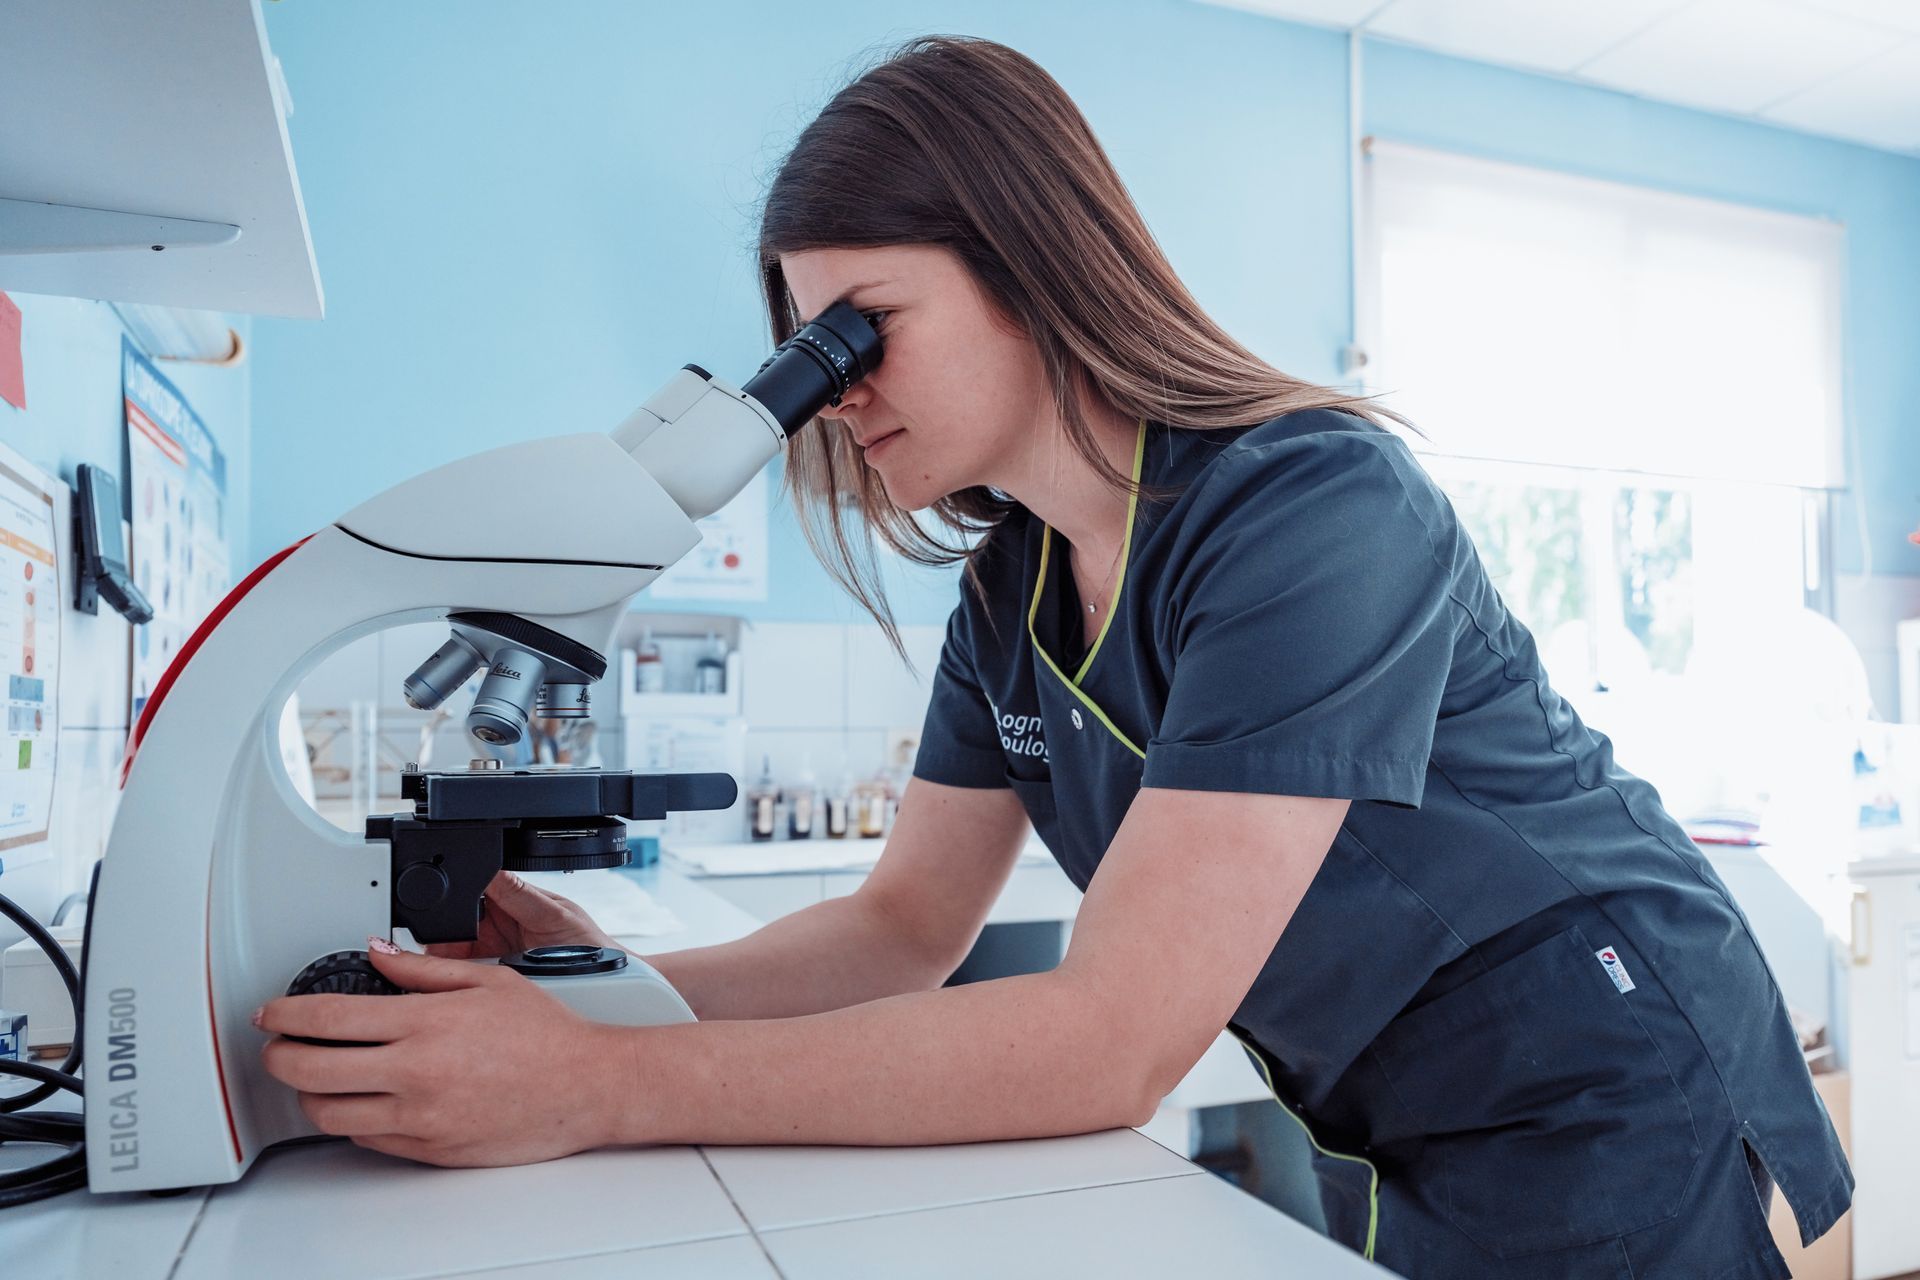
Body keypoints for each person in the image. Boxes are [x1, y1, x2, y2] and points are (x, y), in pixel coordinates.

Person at [260, 36, 1851, 1278]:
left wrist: (596, 1091)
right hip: (1391, 1098)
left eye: (862, 329)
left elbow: (1110, 1037)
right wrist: (589, 1009)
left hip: (1605, 1070)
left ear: (1030, 266)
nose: (840, 392)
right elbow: (899, 931)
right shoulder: (1013, 586)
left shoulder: (1316, 505)